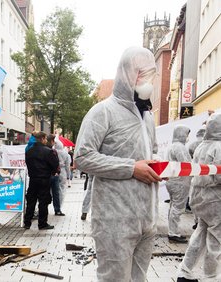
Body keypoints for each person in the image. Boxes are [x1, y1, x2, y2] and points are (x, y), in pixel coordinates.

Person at [74, 46, 162, 281]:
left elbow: (150, 152)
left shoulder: (147, 117)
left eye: (150, 75)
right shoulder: (102, 112)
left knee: (139, 278)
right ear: (126, 74)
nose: (147, 82)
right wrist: (132, 168)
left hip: (146, 221)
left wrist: (158, 167)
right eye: (141, 75)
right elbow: (82, 157)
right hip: (115, 222)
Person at [177, 113, 221, 282]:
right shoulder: (219, 147)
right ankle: (211, 276)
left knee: (200, 232)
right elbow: (219, 176)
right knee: (216, 237)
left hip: (199, 197)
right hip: (215, 199)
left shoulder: (202, 145)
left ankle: (185, 271)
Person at [23, 132, 59, 230]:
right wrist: (52, 172)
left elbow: (28, 164)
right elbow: (55, 165)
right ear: (43, 138)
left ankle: (27, 222)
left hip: (33, 179)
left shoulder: (29, 151)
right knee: (43, 202)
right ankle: (42, 223)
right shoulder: (48, 151)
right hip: (44, 179)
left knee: (31, 201)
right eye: (45, 139)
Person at [165, 125, 192, 244]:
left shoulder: (171, 146)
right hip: (180, 181)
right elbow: (187, 165)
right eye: (186, 134)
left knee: (173, 207)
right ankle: (173, 233)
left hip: (172, 181)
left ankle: (172, 231)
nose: (187, 137)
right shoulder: (180, 147)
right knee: (177, 208)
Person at [46, 135, 62, 216]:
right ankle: (57, 210)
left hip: (45, 175)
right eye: (54, 141)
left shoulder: (44, 149)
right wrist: (57, 172)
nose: (54, 143)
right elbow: (56, 163)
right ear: (51, 141)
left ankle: (44, 210)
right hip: (53, 175)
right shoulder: (52, 151)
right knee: (56, 193)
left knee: (44, 193)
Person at [54, 138, 70, 215]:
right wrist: (68, 175)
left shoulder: (53, 151)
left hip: (54, 171)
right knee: (62, 189)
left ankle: (54, 205)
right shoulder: (65, 153)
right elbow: (68, 165)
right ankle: (59, 206)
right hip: (63, 171)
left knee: (54, 190)